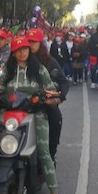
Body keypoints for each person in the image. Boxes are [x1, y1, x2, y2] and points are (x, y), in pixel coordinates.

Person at [0, 36, 62, 194]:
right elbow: (0, 89)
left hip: (36, 116)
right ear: (14, 53)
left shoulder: (39, 70)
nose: (22, 52)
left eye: (25, 48)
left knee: (44, 152)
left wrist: (48, 98)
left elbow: (53, 93)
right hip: (10, 117)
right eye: (18, 49)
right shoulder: (8, 70)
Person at [26, 28, 69, 162]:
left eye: (34, 42)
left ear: (41, 44)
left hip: (42, 101)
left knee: (55, 116)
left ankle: (51, 151)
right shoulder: (18, 60)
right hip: (20, 101)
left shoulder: (49, 61)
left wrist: (60, 97)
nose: (31, 45)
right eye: (29, 42)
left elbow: (63, 82)